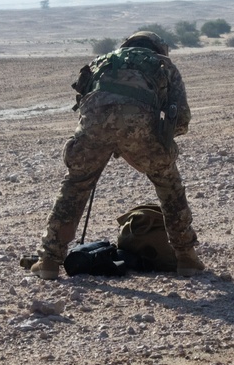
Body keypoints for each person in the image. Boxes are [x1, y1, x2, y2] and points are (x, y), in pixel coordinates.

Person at [30, 31, 205, 279]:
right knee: (169, 185)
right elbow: (182, 119)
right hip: (140, 128)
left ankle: (48, 260)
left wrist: (104, 141)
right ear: (157, 48)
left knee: (75, 186)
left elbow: (84, 106)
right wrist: (153, 142)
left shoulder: (102, 61)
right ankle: (186, 257)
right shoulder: (163, 65)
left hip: (94, 128)